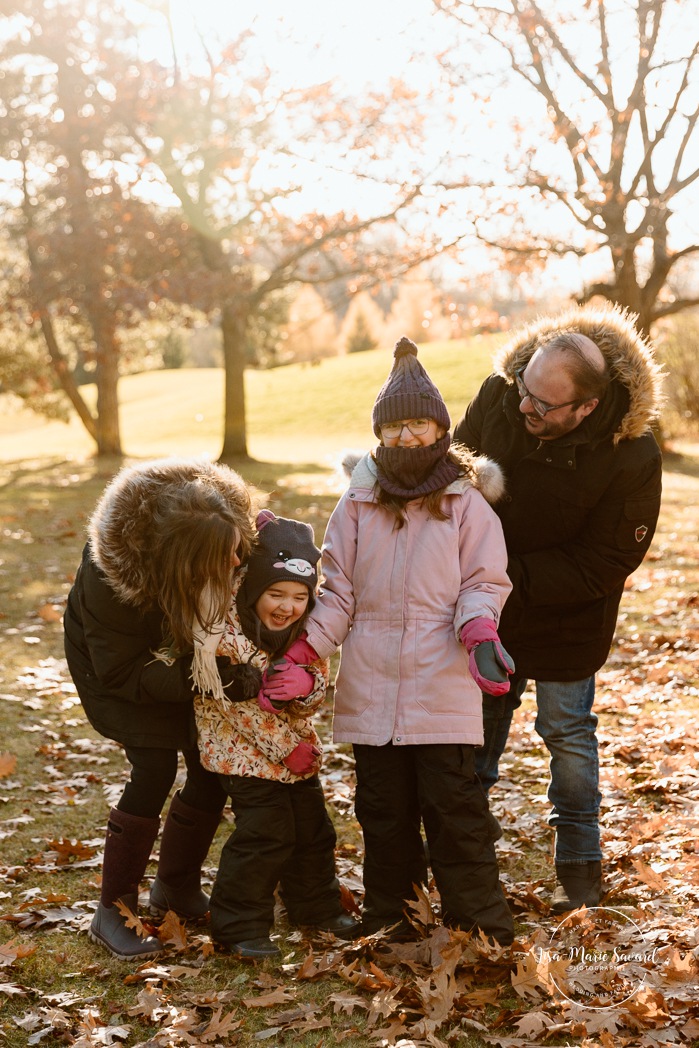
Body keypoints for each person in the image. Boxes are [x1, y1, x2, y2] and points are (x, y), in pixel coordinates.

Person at [300, 336, 516, 946]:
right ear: (380, 434)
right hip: (371, 689)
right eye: (394, 428)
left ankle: (480, 922)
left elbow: (484, 580)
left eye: (419, 424)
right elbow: (337, 590)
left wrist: (478, 630)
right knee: (384, 813)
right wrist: (306, 650)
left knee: (457, 813)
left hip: (442, 687)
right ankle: (394, 917)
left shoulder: (465, 504)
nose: (408, 439)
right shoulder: (357, 504)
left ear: (440, 428)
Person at [452, 303, 664, 913]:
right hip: (487, 613)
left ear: (587, 408)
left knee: (567, 732)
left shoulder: (633, 454)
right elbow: (453, 474)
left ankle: (578, 861)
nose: (525, 410)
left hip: (571, 613)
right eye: (525, 392)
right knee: (478, 737)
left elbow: (605, 559)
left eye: (544, 406)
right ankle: (467, 858)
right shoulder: (501, 398)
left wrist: (502, 574)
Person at [63, 457, 257, 960]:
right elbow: (123, 672)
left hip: (184, 651)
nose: (236, 564)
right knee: (152, 768)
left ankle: (175, 885)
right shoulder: (114, 579)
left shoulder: (221, 521)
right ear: (182, 563)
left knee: (209, 764)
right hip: (115, 667)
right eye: (223, 559)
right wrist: (206, 680)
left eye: (236, 549)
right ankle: (112, 910)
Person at [195, 510, 361, 959]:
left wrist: (307, 688)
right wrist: (287, 748)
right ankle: (238, 926)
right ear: (252, 590)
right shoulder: (223, 633)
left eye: (298, 597)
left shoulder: (301, 631)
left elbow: (316, 681)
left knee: (313, 831)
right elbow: (233, 708)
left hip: (296, 755)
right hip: (242, 753)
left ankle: (315, 908)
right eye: (275, 594)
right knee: (266, 834)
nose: (286, 606)